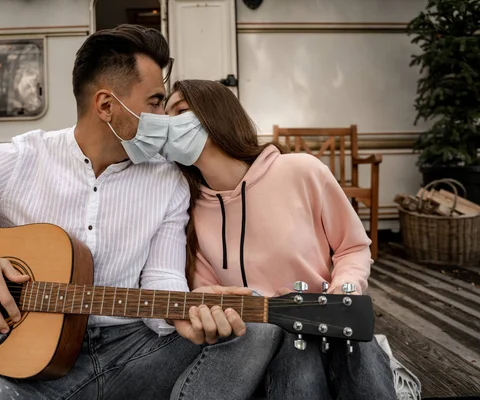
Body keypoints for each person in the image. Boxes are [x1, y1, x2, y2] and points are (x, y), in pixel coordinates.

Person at [0, 26, 267, 400]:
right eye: (154, 103)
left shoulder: (169, 180)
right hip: (27, 356)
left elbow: (160, 275)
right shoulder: (21, 159)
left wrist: (180, 312)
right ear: (106, 105)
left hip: (134, 350)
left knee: (257, 333)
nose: (164, 119)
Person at [163, 79, 398, 400]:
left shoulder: (302, 170)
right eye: (166, 116)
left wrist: (346, 289)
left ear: (215, 113)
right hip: (263, 341)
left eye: (180, 111)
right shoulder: (189, 212)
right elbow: (208, 293)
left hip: (330, 317)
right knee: (298, 361)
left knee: (356, 347)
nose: (169, 125)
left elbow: (353, 247)